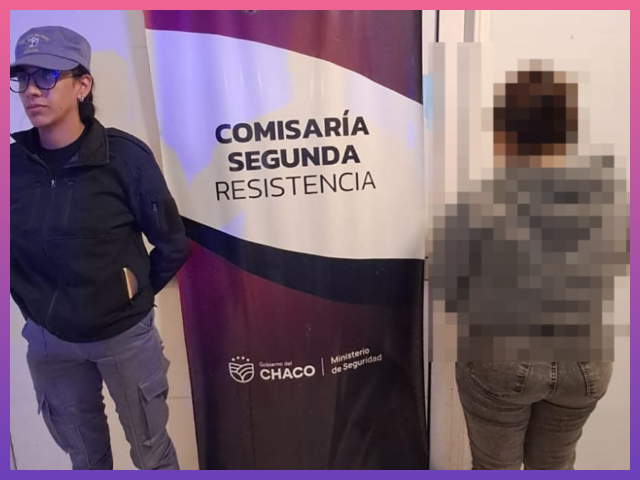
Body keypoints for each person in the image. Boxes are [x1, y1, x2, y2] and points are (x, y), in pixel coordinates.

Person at [430, 64, 629, 469]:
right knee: (556, 466)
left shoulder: (479, 204)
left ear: (504, 131)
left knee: (496, 469)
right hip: (585, 365)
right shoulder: (608, 197)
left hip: (504, 359)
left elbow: (452, 291)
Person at [10, 26, 190, 470]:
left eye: (47, 76)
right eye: (23, 77)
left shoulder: (124, 158)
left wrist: (128, 298)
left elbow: (171, 243)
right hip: (50, 343)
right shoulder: (11, 168)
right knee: (86, 461)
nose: (32, 90)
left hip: (123, 337)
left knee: (152, 455)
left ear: (82, 85)